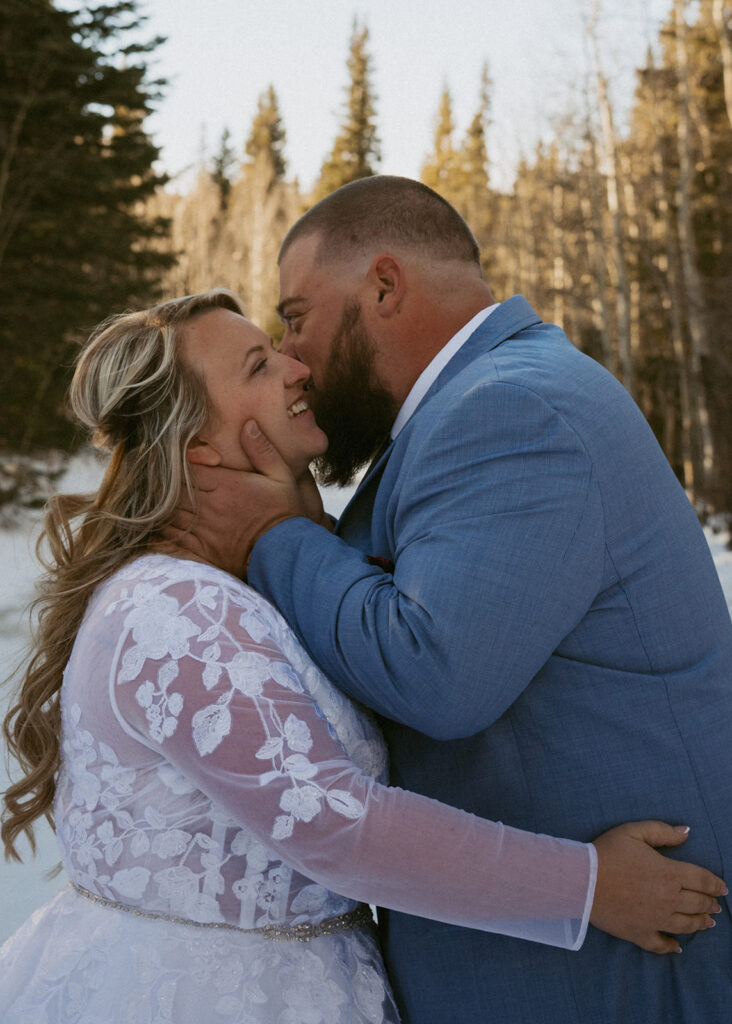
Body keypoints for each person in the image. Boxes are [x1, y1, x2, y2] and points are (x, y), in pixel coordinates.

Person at [0, 290, 724, 1024]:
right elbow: (335, 825)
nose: (295, 369)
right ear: (198, 445)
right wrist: (589, 887)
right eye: (259, 364)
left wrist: (297, 529)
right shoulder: (178, 608)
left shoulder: (239, 588)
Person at [172, 177, 732, 1024]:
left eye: (295, 317)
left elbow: (436, 671)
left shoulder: (509, 409)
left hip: (607, 977)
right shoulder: (477, 406)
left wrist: (275, 535)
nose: (294, 359)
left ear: (385, 287)